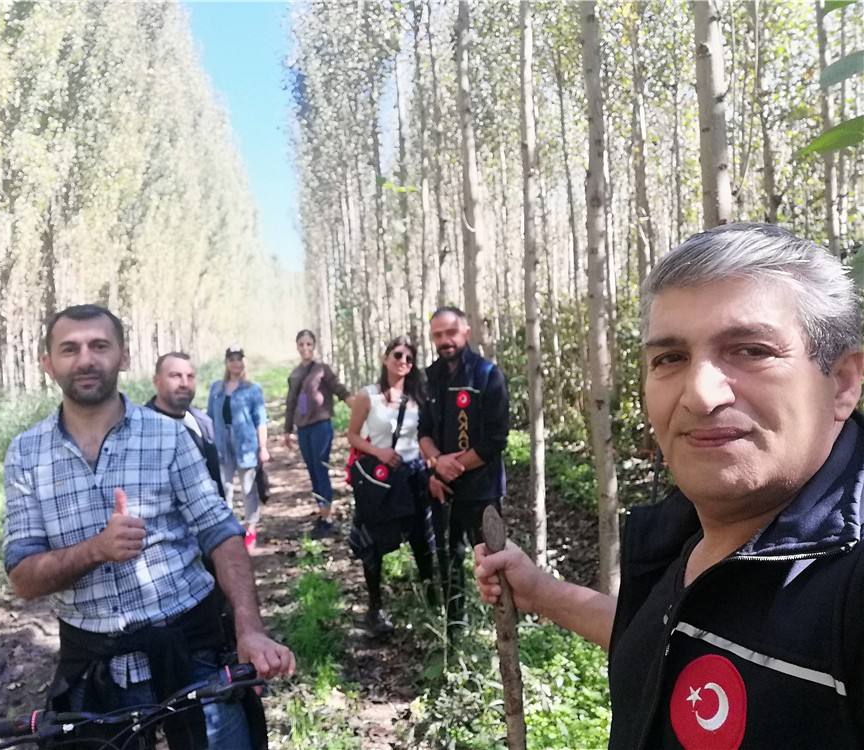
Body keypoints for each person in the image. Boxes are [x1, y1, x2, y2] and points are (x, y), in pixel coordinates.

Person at [475, 223, 864, 749]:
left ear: (841, 381)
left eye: (750, 350)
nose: (701, 394)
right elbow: (669, 634)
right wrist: (542, 592)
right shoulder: (686, 530)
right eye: (670, 359)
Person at [3, 305, 294, 750]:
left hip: (192, 649)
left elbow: (220, 532)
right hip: (93, 666)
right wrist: (96, 549)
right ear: (48, 363)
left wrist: (248, 630)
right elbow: (23, 577)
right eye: (69, 349)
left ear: (122, 356)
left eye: (99, 346)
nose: (85, 359)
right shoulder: (26, 454)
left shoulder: (169, 436)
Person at [418, 306, 509, 634]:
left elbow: (496, 439)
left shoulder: (487, 375)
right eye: (438, 335)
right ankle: (455, 628)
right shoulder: (428, 377)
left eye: (450, 332)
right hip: (443, 489)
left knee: (493, 563)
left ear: (466, 332)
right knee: (450, 561)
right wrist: (435, 462)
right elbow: (423, 431)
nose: (445, 341)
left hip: (482, 490)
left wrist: (451, 465)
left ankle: (503, 629)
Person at [346, 336, 439, 635]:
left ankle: (433, 607)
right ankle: (376, 609)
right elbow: (353, 436)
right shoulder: (368, 396)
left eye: (409, 359)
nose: (403, 362)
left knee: (423, 541)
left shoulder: (419, 397)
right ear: (386, 358)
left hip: (415, 476)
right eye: (397, 355)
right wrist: (379, 452)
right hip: (382, 478)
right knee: (373, 541)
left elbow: (426, 433)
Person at [283, 329, 351, 539]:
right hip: (303, 428)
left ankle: (327, 517)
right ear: (297, 347)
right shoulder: (295, 374)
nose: (305, 348)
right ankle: (321, 513)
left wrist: (357, 406)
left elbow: (338, 388)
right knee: (312, 469)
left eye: (309, 344)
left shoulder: (322, 369)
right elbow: (291, 403)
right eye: (301, 344)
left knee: (321, 468)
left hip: (321, 425)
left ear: (314, 346)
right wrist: (287, 430)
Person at [208, 346, 270, 551]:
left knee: (248, 488)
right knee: (223, 487)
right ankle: (228, 530)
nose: (236, 363)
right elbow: (209, 418)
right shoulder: (216, 388)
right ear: (226, 362)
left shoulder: (252, 389)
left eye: (239, 359)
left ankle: (250, 527)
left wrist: (263, 447)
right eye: (232, 359)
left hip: (245, 444)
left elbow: (260, 420)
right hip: (221, 445)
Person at [146, 351, 224, 499]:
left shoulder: (203, 423)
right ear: (156, 381)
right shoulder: (140, 430)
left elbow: (215, 481)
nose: (184, 384)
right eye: (175, 376)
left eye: (190, 376)